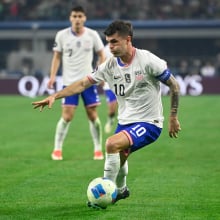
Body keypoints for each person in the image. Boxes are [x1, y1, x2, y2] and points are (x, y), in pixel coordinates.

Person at [32, 20, 181, 207]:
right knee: (119, 159)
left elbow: (174, 85)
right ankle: (121, 190)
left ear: (128, 40)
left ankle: (103, 198)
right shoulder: (109, 66)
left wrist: (173, 116)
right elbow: (82, 84)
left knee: (111, 144)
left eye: (114, 42)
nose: (110, 46)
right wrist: (56, 95)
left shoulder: (148, 60)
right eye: (109, 42)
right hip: (126, 121)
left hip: (150, 122)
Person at [47, 6, 106, 161]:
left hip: (88, 82)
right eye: (74, 16)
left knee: (93, 116)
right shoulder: (61, 35)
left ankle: (98, 149)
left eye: (80, 16)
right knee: (67, 116)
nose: (77, 19)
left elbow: (102, 55)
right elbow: (57, 57)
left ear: (84, 18)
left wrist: (100, 74)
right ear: (70, 18)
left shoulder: (92, 35)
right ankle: (57, 150)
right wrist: (52, 76)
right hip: (69, 82)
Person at [102, 44, 117, 134]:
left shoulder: (123, 46)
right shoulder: (105, 49)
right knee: (112, 109)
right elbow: (101, 62)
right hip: (109, 82)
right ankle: (110, 119)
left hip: (122, 81)